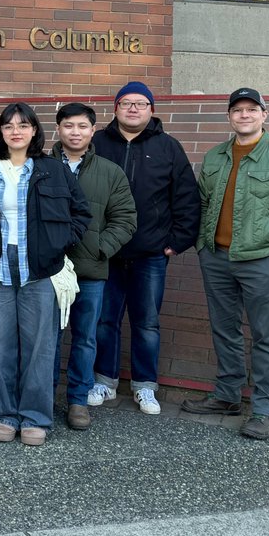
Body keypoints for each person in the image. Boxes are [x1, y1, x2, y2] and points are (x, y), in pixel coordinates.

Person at [182, 88, 269, 440]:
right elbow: (202, 203)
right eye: (237, 110)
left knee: (265, 337)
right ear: (229, 116)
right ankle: (228, 395)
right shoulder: (215, 156)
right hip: (216, 258)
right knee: (224, 329)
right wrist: (203, 246)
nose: (244, 115)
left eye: (251, 109)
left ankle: (265, 409)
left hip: (261, 261)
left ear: (264, 115)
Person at [0, 103, 91, 446]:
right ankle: (4, 414)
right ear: (0, 132)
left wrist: (58, 244)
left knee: (39, 348)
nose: (15, 131)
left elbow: (81, 213)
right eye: (8, 126)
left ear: (34, 131)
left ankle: (35, 417)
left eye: (23, 125)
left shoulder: (52, 170)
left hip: (41, 270)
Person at [92, 82, 200, 416]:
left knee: (147, 323)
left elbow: (186, 197)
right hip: (104, 253)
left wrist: (176, 243)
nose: (133, 108)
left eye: (141, 103)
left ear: (151, 110)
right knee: (104, 321)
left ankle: (145, 386)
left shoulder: (168, 147)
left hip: (150, 254)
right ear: (115, 108)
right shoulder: (97, 143)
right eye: (126, 103)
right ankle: (104, 381)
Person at [50, 103, 136, 431]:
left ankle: (78, 400)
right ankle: (44, 396)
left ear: (92, 130)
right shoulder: (39, 166)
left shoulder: (110, 172)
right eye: (69, 126)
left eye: (82, 126)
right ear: (58, 129)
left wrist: (100, 248)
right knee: (48, 338)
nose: (75, 132)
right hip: (48, 270)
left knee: (85, 338)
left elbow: (125, 219)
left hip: (91, 271)